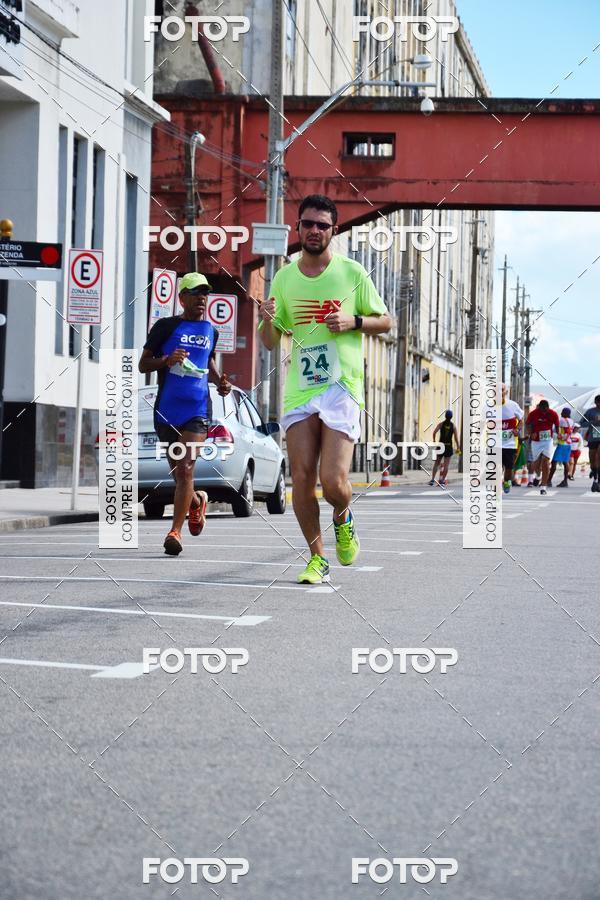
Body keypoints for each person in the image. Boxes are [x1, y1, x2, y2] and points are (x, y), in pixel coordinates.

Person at [258, 194, 392, 584]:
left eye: (322, 225)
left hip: (341, 387)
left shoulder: (352, 273)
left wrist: (353, 322)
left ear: (334, 230)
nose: (313, 230)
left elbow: (386, 321)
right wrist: (267, 320)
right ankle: (317, 557)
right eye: (307, 224)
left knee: (333, 483)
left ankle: (342, 515)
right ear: (297, 229)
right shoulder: (284, 278)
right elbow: (270, 340)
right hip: (301, 389)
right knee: (300, 477)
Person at [138, 272, 231, 555]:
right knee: (180, 475)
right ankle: (195, 502)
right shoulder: (165, 327)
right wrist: (167, 360)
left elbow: (208, 362)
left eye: (205, 293)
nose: (202, 298)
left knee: (186, 467)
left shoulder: (211, 331)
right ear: (182, 298)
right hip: (167, 409)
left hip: (197, 410)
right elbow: (144, 364)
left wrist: (220, 382)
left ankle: (174, 532)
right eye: (195, 293)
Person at [525, 399, 560, 495]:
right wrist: (531, 433)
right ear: (539, 407)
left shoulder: (553, 414)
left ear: (548, 408)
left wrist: (559, 433)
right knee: (536, 463)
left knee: (545, 461)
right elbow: (527, 424)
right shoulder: (533, 413)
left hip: (548, 440)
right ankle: (538, 476)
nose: (544, 412)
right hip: (536, 441)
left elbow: (557, 426)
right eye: (542, 410)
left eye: (546, 410)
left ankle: (543, 486)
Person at [500, 384, 523, 493]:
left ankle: (506, 481)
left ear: (506, 392)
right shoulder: (488, 406)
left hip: (509, 444)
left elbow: (522, 420)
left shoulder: (513, 405)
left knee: (509, 468)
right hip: (494, 444)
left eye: (502, 390)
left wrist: (517, 429)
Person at [430, 411, 460, 486]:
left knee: (436, 463)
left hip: (441, 446)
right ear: (451, 417)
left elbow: (434, 432)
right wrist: (458, 447)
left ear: (445, 416)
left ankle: (432, 479)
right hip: (449, 446)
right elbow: (456, 438)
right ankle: (443, 481)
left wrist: (434, 440)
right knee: (446, 465)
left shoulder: (441, 424)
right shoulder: (453, 426)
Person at [548, 406, 574, 487]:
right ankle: (565, 481)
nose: (561, 413)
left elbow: (555, 429)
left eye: (562, 412)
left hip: (562, 443)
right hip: (568, 444)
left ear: (565, 413)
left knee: (554, 462)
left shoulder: (562, 420)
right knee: (565, 462)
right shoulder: (572, 421)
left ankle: (549, 481)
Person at [582, 393, 600, 493]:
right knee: (593, 459)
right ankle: (594, 477)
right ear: (596, 403)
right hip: (593, 438)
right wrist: (592, 422)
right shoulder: (590, 412)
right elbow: (582, 423)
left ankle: (598, 480)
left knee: (599, 456)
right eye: (598, 403)